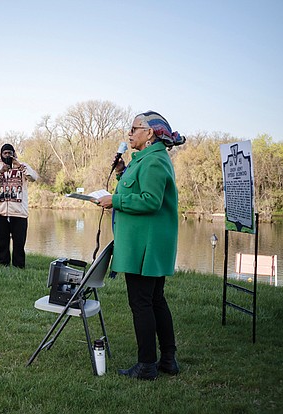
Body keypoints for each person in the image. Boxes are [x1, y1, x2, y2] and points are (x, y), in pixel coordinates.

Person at [96, 111, 186, 380]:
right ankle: (168, 360)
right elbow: (138, 189)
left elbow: (150, 200)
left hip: (145, 248)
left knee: (142, 303)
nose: (130, 133)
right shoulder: (145, 159)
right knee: (155, 301)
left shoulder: (156, 161)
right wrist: (122, 172)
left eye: (135, 128)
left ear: (150, 133)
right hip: (144, 245)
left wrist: (116, 201)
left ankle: (147, 365)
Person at [0, 144, 38, 268]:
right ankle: (3, 264)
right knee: (1, 241)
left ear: (14, 154)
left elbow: (34, 177)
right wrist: (2, 171)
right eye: (5, 153)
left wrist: (19, 166)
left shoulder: (22, 166)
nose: (8, 155)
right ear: (1, 154)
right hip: (0, 211)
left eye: (10, 153)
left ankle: (19, 266)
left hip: (19, 212)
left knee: (19, 242)